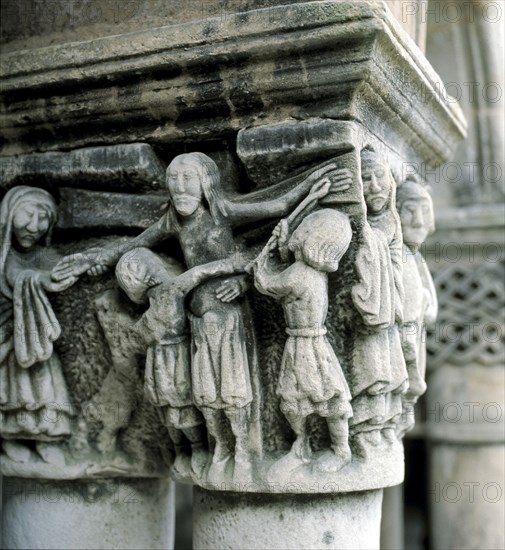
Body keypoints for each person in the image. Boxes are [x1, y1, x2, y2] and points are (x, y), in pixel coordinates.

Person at [53, 152, 352, 480]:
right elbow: (137, 243)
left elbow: (277, 208)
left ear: (207, 183)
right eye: (173, 180)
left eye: (188, 179)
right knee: (204, 394)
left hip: (227, 318)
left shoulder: (221, 210)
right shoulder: (173, 220)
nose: (179, 187)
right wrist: (95, 256)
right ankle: (220, 447)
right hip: (196, 322)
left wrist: (310, 188)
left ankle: (242, 448)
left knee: (232, 389)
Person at [114, 247, 247, 476]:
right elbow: (199, 272)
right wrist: (233, 263)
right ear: (147, 273)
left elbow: (197, 275)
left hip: (164, 357)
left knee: (175, 406)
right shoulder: (170, 288)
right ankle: (192, 449)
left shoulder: (162, 294)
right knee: (176, 405)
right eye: (154, 264)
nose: (162, 267)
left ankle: (189, 450)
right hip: (170, 357)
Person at [254, 207, 353, 473]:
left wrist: (263, 257)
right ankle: (308, 446)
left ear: (313, 240)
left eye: (305, 229)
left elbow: (267, 284)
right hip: (311, 342)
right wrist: (284, 245)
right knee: (306, 397)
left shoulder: (298, 275)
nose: (300, 232)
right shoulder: (314, 272)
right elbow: (289, 266)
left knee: (315, 396)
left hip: (304, 344)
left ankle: (333, 448)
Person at [0, 186, 77, 465]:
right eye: (28, 214)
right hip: (9, 340)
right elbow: (15, 274)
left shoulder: (44, 254)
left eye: (43, 217)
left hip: (35, 338)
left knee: (43, 386)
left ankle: (45, 437)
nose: (35, 225)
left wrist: (83, 265)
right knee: (10, 388)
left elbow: (60, 266)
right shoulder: (4, 255)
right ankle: (10, 437)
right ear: (8, 214)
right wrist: (41, 280)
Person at [350, 150, 408, 453]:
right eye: (364, 179)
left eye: (379, 177)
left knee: (389, 377)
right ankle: (363, 431)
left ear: (391, 183)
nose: (373, 186)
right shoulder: (359, 225)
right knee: (371, 374)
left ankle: (382, 425)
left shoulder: (390, 223)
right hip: (368, 319)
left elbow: (391, 264)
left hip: (387, 317)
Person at [395, 178, 437, 435]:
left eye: (425, 211)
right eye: (410, 210)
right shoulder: (395, 254)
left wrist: (422, 301)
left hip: (414, 334)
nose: (419, 221)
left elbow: (431, 308)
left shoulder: (415, 257)